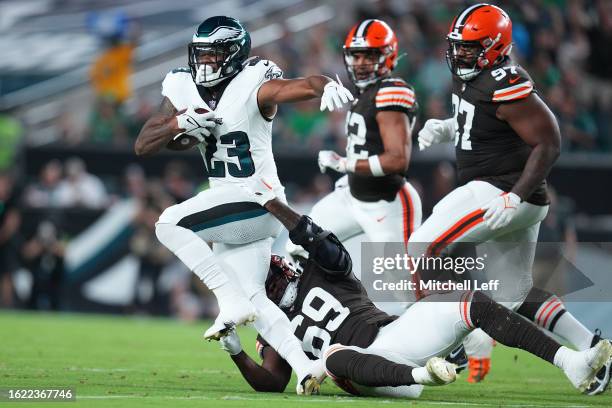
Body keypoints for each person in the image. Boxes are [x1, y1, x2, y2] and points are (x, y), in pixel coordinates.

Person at [134, 16, 354, 394]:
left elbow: (301, 85)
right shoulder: (182, 86)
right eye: (200, 54)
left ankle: (226, 299)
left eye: (214, 55)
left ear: (234, 55)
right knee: (256, 297)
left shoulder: (254, 83)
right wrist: (179, 124)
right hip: (233, 207)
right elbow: (144, 144)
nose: (204, 63)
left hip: (257, 198)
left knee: (169, 223)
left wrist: (327, 85)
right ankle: (306, 369)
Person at [216, 196, 612, 397]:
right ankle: (424, 374)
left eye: (271, 269)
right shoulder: (269, 325)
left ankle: (570, 362)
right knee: (332, 357)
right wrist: (236, 350)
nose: (274, 276)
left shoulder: (319, 267)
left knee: (469, 300)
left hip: (395, 335)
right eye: (265, 277)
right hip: (371, 373)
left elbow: (325, 244)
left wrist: (273, 204)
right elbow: (272, 382)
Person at [414, 4, 610, 393]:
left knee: (421, 247)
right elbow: (485, 120)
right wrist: (447, 127)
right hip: (514, 196)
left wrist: (514, 196)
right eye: (458, 46)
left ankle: (459, 340)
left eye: (470, 47)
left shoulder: (505, 80)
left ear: (495, 46)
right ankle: (589, 353)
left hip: (500, 190)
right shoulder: (475, 79)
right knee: (513, 296)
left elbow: (550, 141)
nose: (460, 54)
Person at [286, 20, 422, 307]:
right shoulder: (364, 91)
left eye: (369, 56)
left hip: (387, 203)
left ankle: (463, 343)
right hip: (351, 196)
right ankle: (314, 323)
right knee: (297, 247)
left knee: (406, 290)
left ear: (387, 56)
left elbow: (397, 159)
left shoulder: (391, 91)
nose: (360, 63)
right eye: (356, 55)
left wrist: (345, 163)